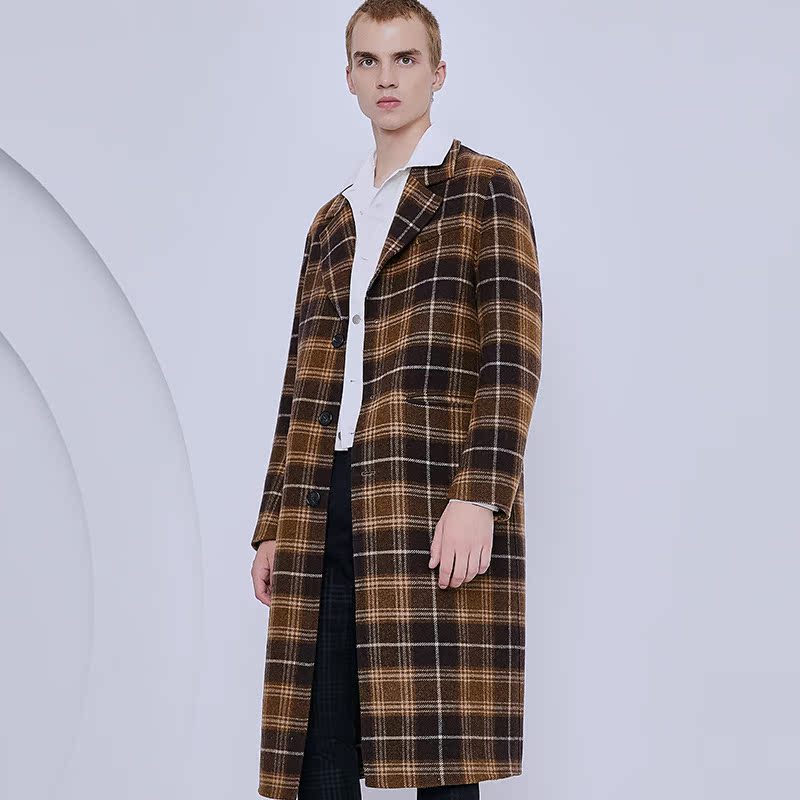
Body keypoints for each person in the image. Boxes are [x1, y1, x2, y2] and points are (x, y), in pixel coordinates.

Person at [250, 2, 542, 798]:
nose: (387, 78)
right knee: (318, 755)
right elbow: (301, 377)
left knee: (440, 757)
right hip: (323, 500)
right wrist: (273, 521)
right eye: (370, 61)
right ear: (348, 76)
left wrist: (480, 496)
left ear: (437, 73)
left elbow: (512, 354)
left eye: (406, 59)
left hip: (428, 493)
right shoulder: (332, 220)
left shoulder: (483, 188)